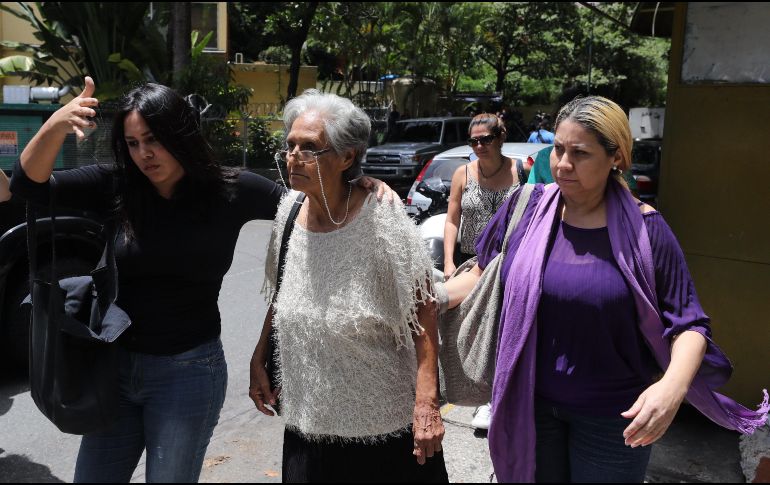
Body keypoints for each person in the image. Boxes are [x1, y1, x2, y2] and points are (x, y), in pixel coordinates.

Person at [10, 77, 395, 483]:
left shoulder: (231, 189)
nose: (144, 153)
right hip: (114, 368)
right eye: (133, 143)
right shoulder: (116, 185)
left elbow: (309, 201)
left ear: (180, 134)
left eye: (153, 139)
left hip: (187, 374)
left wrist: (358, 184)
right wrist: (55, 124)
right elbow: (26, 186)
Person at [443, 96, 768, 482]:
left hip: (614, 421)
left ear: (615, 157)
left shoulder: (648, 232)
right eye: (559, 149)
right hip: (529, 405)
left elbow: (689, 326)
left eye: (580, 153)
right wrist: (432, 298)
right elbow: (482, 272)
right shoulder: (525, 209)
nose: (562, 165)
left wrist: (671, 389)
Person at [248, 90, 448, 483]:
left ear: (347, 157)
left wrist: (427, 403)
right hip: (308, 426)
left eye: (310, 147)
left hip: (382, 431)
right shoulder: (288, 211)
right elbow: (281, 292)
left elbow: (423, 307)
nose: (294, 156)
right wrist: (259, 356)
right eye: (290, 145)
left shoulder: (382, 218)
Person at [444, 114, 520, 431]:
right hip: (469, 262)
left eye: (485, 140)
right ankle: (472, 391)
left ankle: (493, 400)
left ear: (499, 137)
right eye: (473, 141)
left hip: (506, 263)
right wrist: (448, 263)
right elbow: (452, 219)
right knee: (466, 328)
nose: (479, 146)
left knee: (500, 330)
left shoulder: (520, 170)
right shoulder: (463, 173)